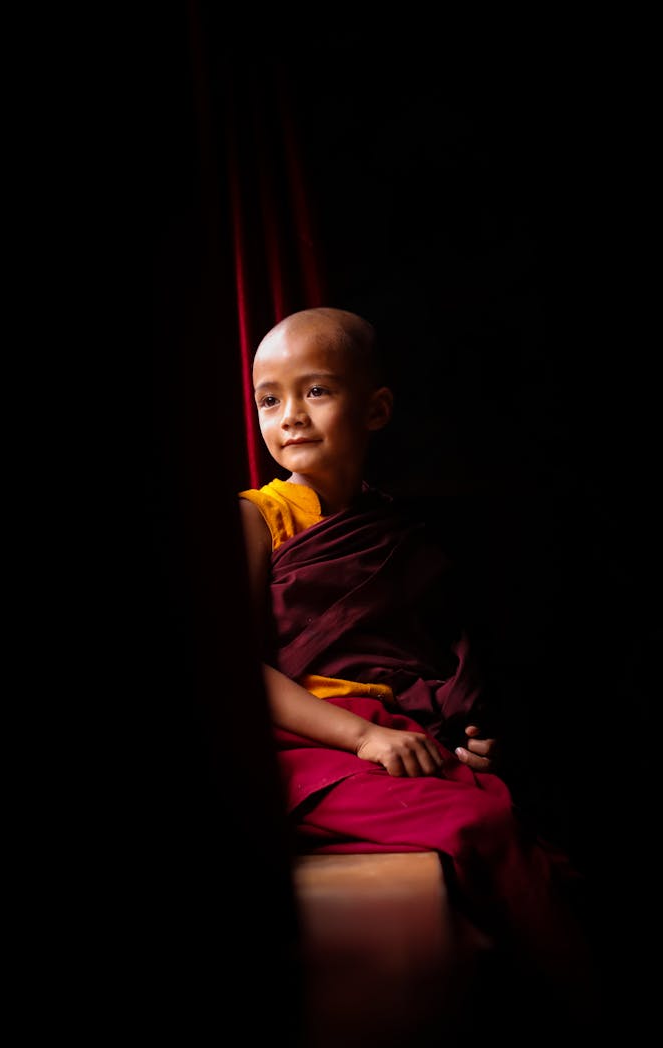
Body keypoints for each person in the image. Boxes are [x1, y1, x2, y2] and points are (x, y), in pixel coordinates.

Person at [238, 305, 592, 989]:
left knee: (536, 832)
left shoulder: (396, 532)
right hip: (305, 745)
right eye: (269, 398)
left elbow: (426, 664)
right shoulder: (258, 518)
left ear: (375, 409)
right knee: (476, 827)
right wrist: (361, 740)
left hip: (397, 731)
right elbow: (237, 668)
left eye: (316, 390)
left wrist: (463, 732)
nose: (291, 416)